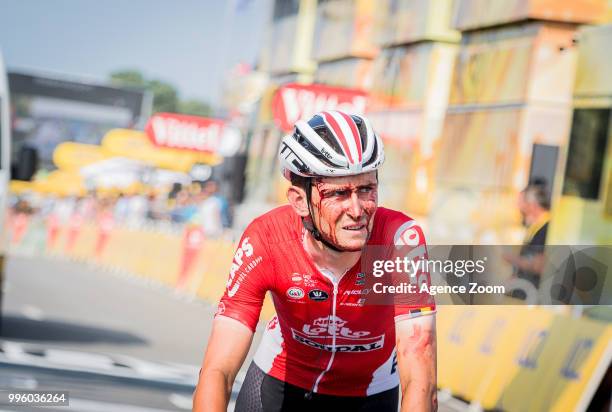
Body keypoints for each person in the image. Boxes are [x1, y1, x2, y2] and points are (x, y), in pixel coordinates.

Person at [193, 111, 437, 412]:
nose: (357, 209)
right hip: (281, 382)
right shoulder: (267, 239)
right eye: (338, 193)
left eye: (366, 189)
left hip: (368, 395)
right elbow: (218, 370)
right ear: (299, 200)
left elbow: (420, 382)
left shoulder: (399, 242)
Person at [503, 181, 551, 296]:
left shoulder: (547, 229)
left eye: (521, 203)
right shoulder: (535, 226)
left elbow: (540, 265)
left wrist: (512, 258)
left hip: (535, 296)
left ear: (532, 205)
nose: (518, 207)